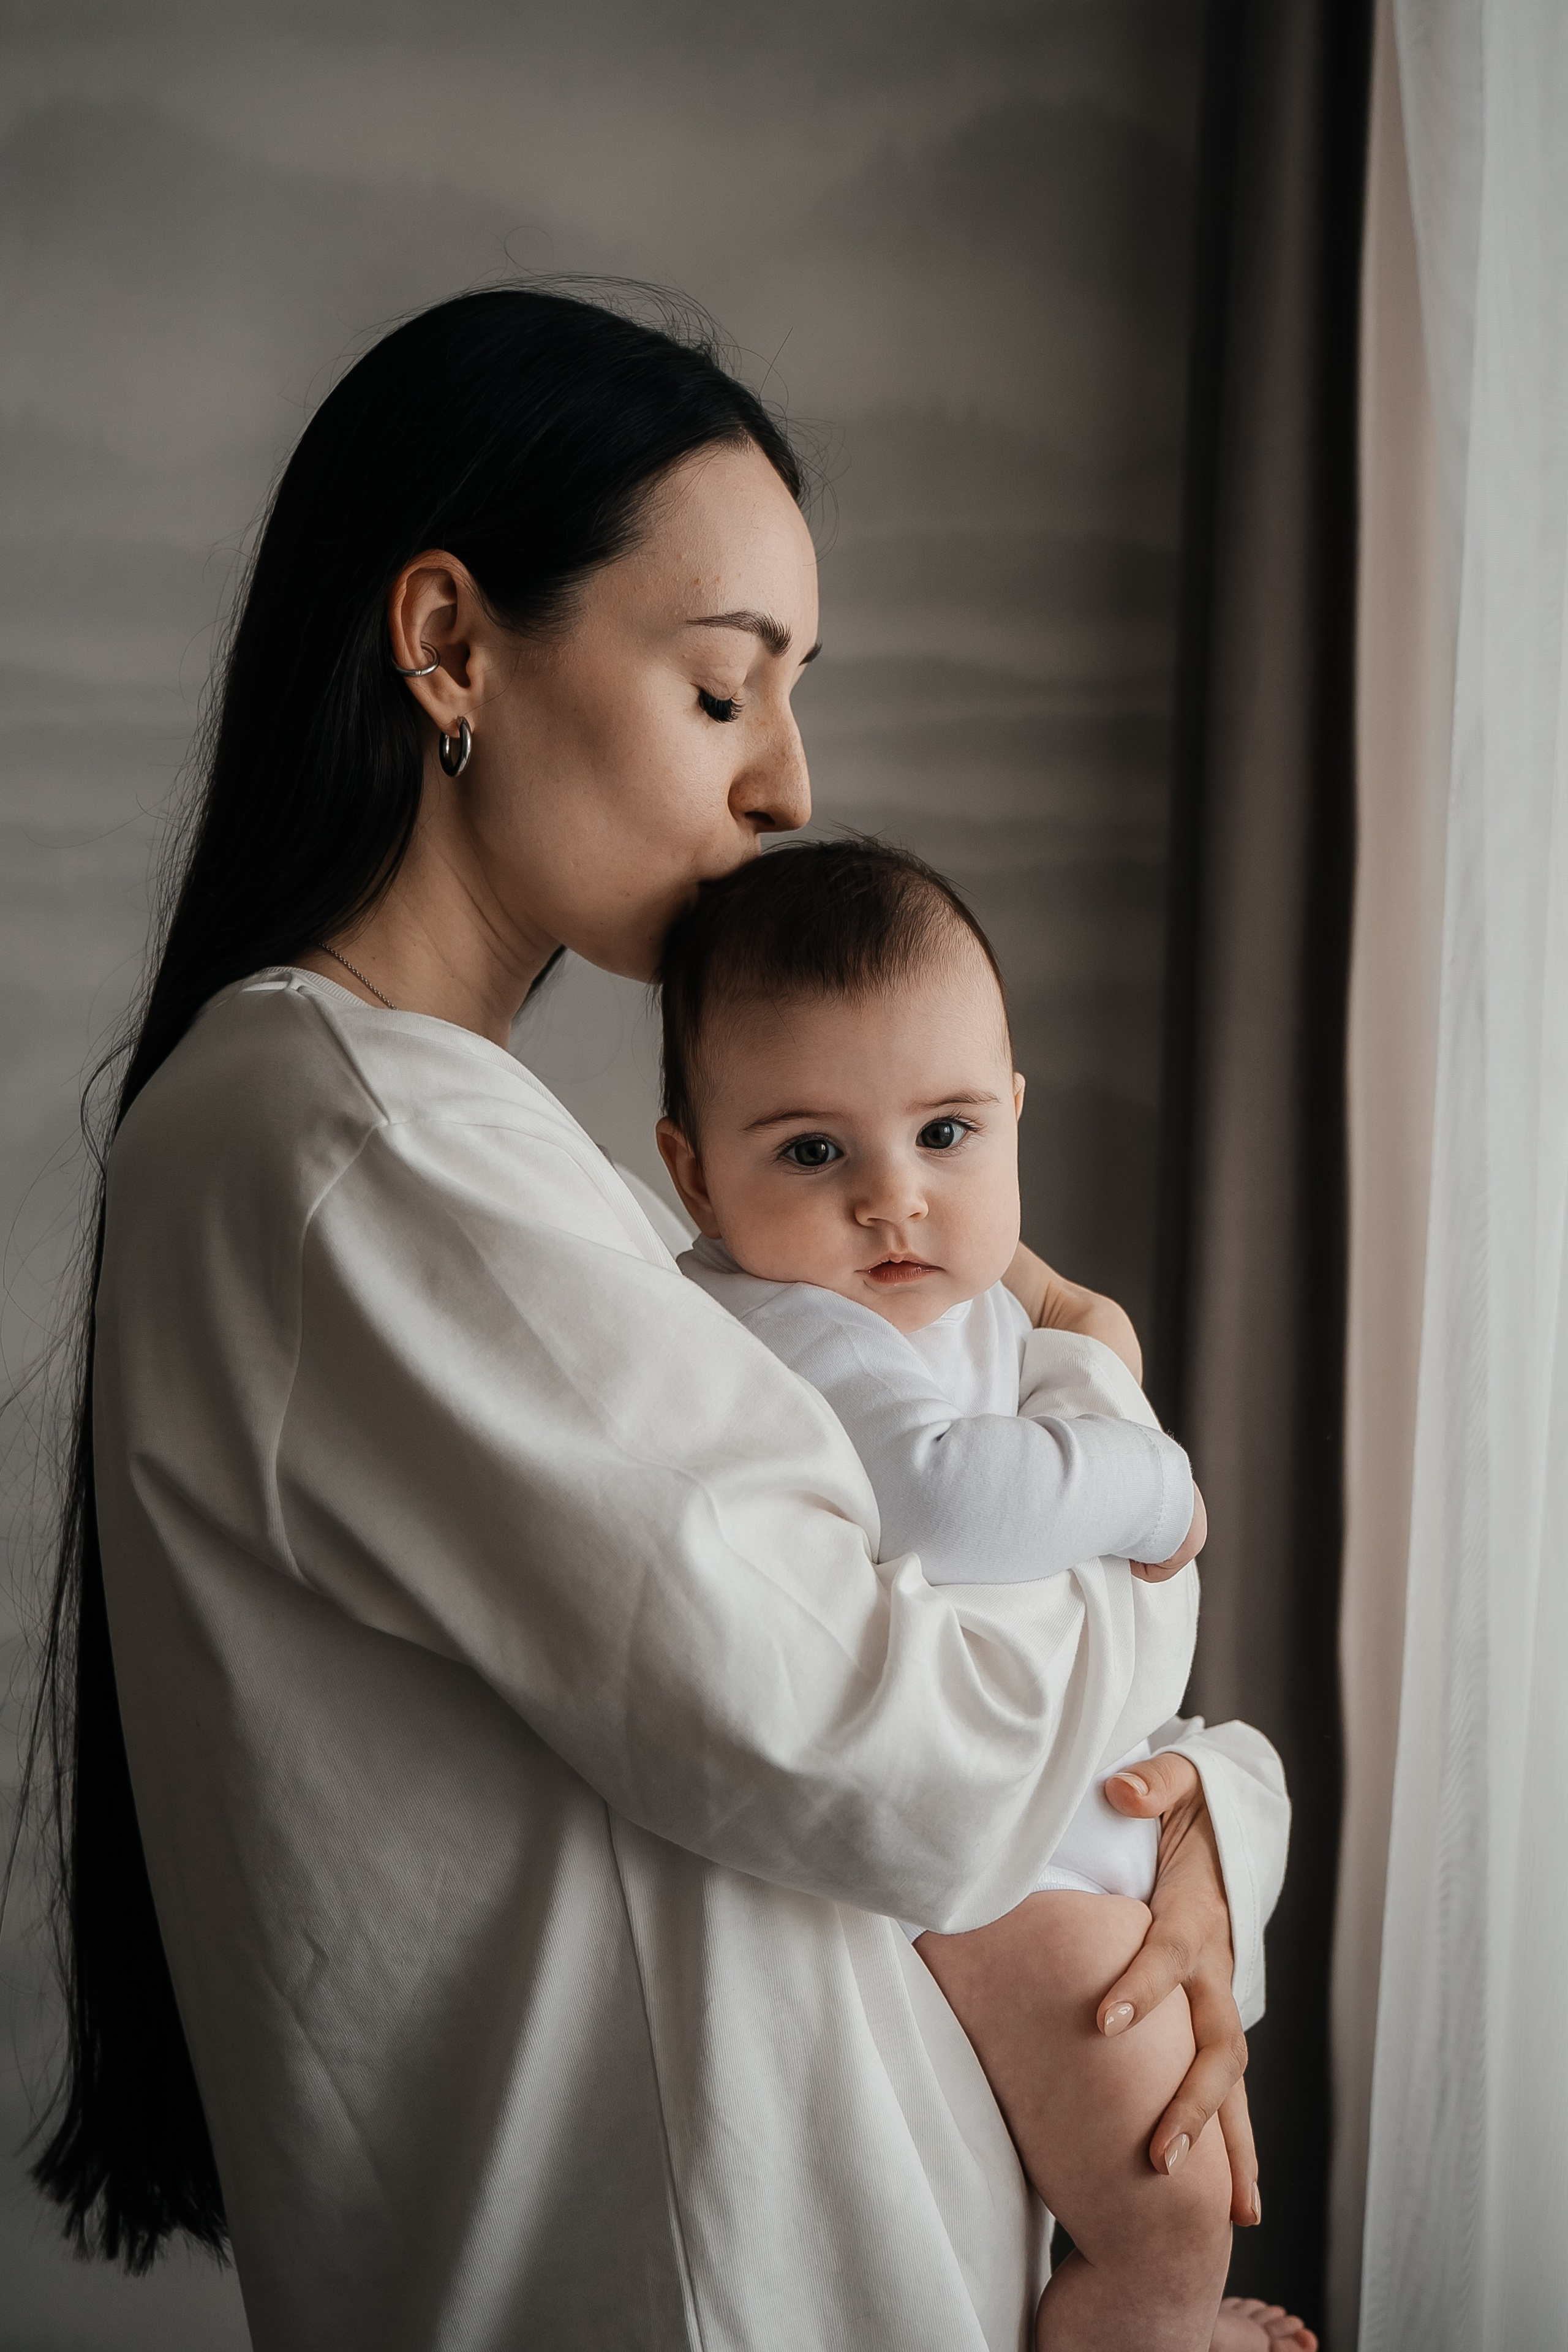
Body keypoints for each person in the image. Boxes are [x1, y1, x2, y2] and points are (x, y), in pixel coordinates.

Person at [25, 285, 1314, 2351]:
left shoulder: (560, 1188)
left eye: (797, 695)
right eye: (728, 692)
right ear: (451, 645)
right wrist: (1143, 1509)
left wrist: (1198, 1853)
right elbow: (880, 1736)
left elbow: (921, 1712)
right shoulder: (350, 1150)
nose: (791, 782)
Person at [657, 837, 1232, 2350]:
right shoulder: (782, 1320)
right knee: (1167, 2206)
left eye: (948, 1132)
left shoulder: (941, 1301)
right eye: (809, 1152)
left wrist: (1057, 1320)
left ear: (1012, 1117)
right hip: (994, 1864)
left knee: (1164, 2147)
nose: (891, 1203)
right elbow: (948, 1499)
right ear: (692, 1171)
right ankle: (1148, 2328)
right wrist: (1150, 1476)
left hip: (1067, 1813)